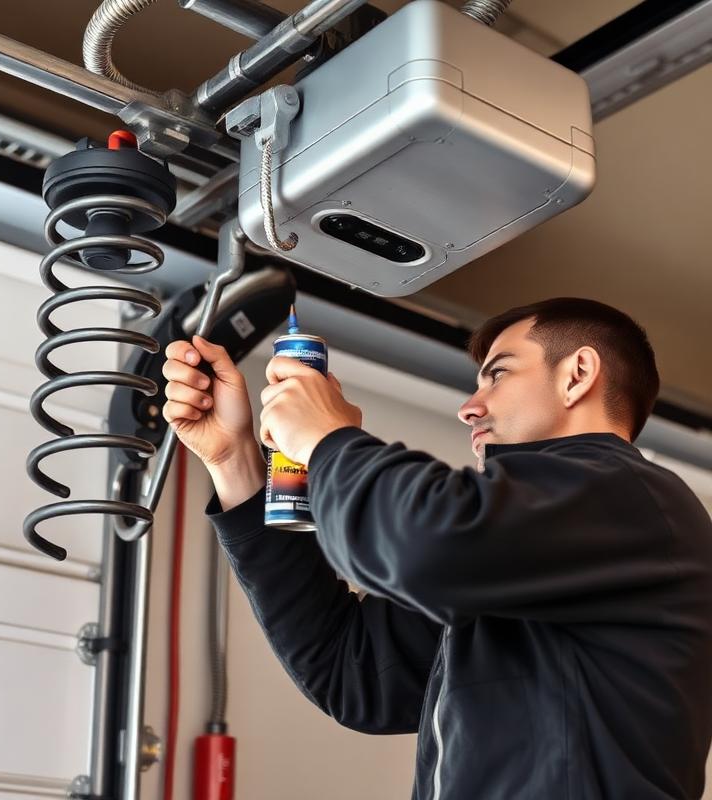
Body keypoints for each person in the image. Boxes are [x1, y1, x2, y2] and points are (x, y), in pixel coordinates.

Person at [162, 297, 712, 799]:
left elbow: (424, 546)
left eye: (497, 374)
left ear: (577, 375)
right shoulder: (524, 552)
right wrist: (235, 459)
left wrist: (327, 438)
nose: (469, 407)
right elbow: (351, 672)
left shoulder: (627, 496)